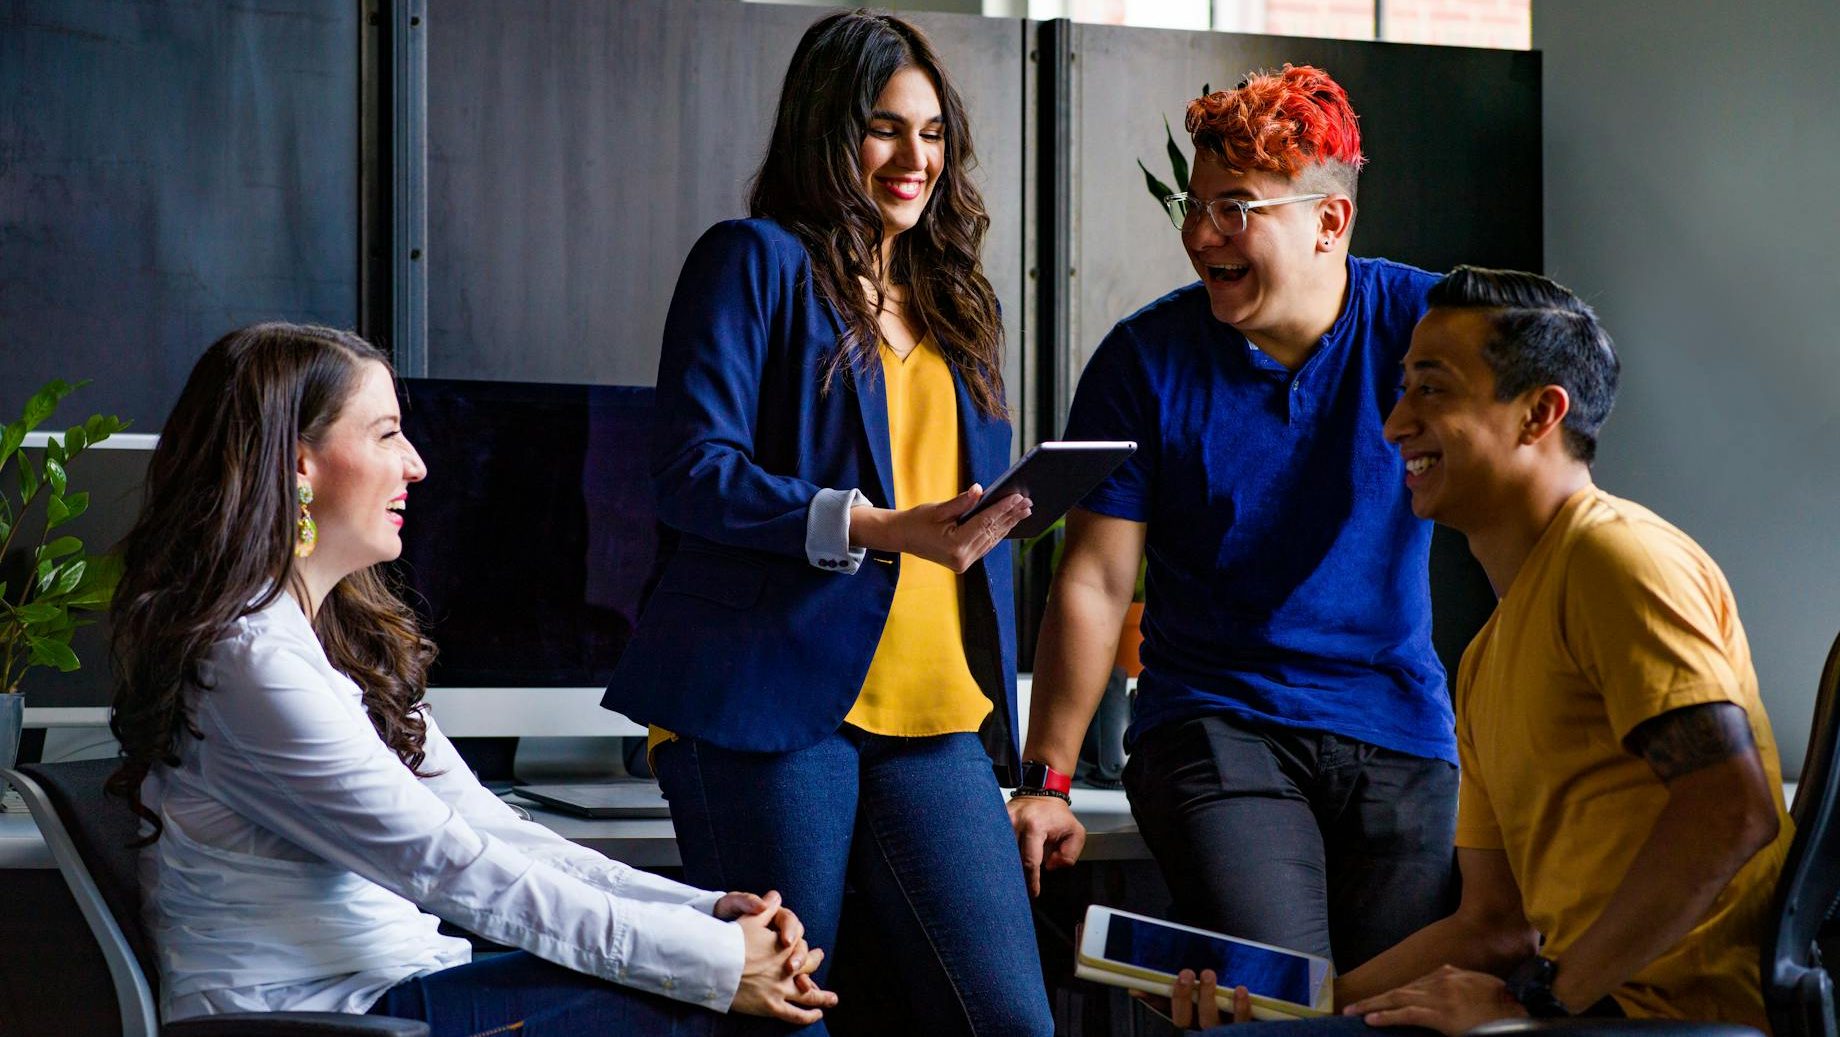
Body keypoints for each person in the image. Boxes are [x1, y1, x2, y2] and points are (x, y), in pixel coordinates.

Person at [105, 323, 835, 1035]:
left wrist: (701, 915)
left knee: (753, 1001)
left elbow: (488, 829)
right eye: (386, 433)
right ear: (299, 463)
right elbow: (451, 866)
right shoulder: (250, 663)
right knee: (755, 1018)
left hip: (406, 988)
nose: (416, 464)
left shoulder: (329, 642)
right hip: (323, 1019)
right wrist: (715, 964)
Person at [602, 11, 1052, 1037]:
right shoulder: (752, 260)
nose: (915, 157)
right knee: (782, 1016)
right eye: (884, 127)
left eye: (933, 132)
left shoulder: (955, 297)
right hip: (773, 701)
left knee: (1009, 1020)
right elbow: (691, 471)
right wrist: (878, 525)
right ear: (825, 129)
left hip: (938, 710)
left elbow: (948, 504)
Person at [1010, 65, 1456, 971]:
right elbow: (1095, 580)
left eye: (1236, 207)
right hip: (1216, 724)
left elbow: (1546, 441)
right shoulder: (1145, 361)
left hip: (1399, 727)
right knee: (1283, 995)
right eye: (1196, 203)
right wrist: (1047, 782)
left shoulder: (1429, 327)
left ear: (1329, 222)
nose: (1199, 233)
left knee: (1393, 1007)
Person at [1323, 267, 1788, 1033]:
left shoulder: (1617, 560)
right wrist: (1306, 1004)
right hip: (1576, 1011)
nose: (1395, 423)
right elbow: (1493, 925)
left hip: (1661, 1021)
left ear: (1539, 412)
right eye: (1403, 389)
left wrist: (1534, 1001)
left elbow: (1731, 808)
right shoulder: (1484, 656)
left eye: (1431, 390)